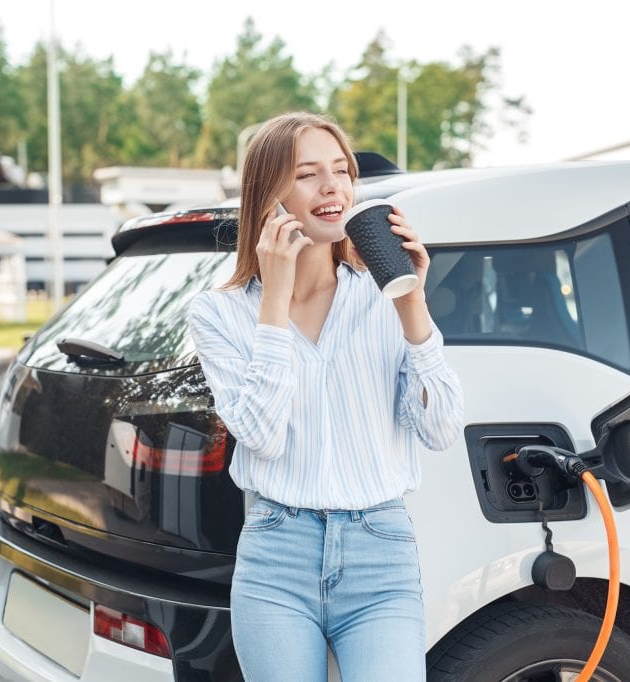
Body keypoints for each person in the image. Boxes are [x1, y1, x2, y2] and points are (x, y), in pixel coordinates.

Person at [187, 112, 464, 682]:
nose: (333, 186)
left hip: (379, 554)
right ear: (269, 196)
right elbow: (260, 434)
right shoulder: (219, 312)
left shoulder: (379, 297)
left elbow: (440, 430)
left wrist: (411, 300)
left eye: (341, 170)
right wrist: (276, 301)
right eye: (309, 174)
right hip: (275, 557)